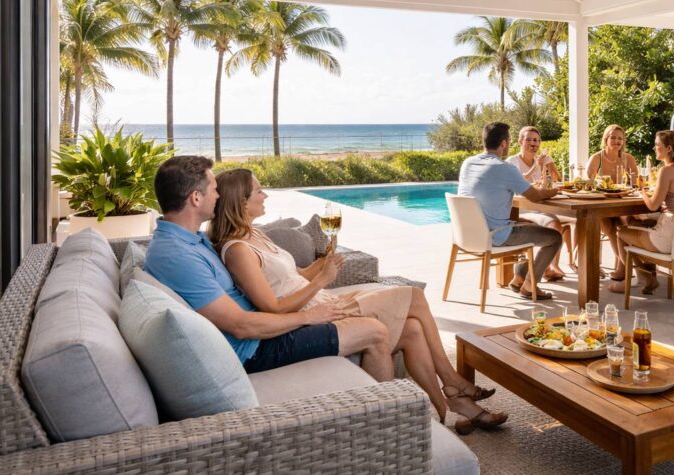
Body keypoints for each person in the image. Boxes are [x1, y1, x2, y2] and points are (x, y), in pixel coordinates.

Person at [210, 169, 505, 435]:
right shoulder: (238, 250)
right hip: (312, 311)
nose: (266, 195)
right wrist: (322, 281)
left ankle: (450, 408)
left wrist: (324, 261)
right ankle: (452, 381)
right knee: (414, 296)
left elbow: (295, 274)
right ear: (241, 201)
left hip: (319, 298)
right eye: (259, 191)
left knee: (413, 329)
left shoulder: (255, 234)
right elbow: (272, 307)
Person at [143, 156, 391, 380]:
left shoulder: (190, 239)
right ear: (196, 198)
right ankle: (394, 415)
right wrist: (307, 316)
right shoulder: (177, 255)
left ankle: (417, 405)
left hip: (265, 330)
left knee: (406, 327)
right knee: (376, 331)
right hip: (255, 350)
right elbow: (241, 326)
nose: (218, 197)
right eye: (214, 190)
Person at [458, 122, 561, 300]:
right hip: (496, 235)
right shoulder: (505, 168)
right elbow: (535, 196)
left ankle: (520, 276)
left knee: (530, 224)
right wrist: (555, 190)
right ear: (504, 143)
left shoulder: (468, 163)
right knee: (554, 237)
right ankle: (530, 286)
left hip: (468, 235)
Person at [611, 131, 674, 294]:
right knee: (635, 224)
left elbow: (652, 205)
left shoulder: (667, 171)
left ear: (669, 148)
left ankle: (644, 278)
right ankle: (647, 278)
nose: (654, 147)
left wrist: (642, 190)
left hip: (668, 238)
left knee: (621, 233)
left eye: (658, 145)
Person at [506, 126, 574, 277]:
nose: (533, 143)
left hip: (542, 206)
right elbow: (520, 181)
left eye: (536, 140)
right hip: (523, 208)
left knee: (577, 220)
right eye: (529, 139)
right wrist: (536, 166)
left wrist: (547, 164)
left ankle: (551, 266)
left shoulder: (542, 160)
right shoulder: (512, 161)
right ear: (520, 141)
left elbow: (557, 180)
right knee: (554, 223)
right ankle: (545, 268)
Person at [585, 125, 640, 281]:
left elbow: (635, 183)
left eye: (620, 138)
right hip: (601, 203)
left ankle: (623, 268)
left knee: (624, 224)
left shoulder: (628, 158)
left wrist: (632, 182)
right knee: (609, 228)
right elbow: (587, 183)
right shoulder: (597, 158)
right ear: (606, 139)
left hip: (623, 203)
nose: (617, 141)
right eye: (613, 138)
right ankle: (625, 266)